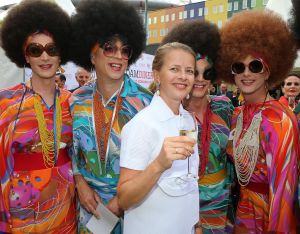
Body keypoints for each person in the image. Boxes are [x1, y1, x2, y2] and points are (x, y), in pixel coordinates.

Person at [69, 0, 153, 232]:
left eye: (125, 49)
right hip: (89, 208)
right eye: (109, 47)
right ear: (92, 53)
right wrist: (80, 184)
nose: (118, 55)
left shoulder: (146, 102)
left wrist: (121, 201)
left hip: (133, 208)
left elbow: (155, 160)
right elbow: (72, 152)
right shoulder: (76, 100)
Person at [217, 10, 299, 233]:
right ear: (231, 73)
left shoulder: (279, 119)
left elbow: (284, 189)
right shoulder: (237, 115)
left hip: (269, 215)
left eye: (255, 66)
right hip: (242, 212)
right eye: (238, 66)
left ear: (268, 71)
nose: (246, 73)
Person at [0, 0, 76, 233]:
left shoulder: (73, 102)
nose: (45, 57)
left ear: (61, 53)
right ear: (25, 56)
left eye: (51, 49)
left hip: (64, 205)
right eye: (35, 50)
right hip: (22, 209)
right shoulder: (6, 102)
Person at [162, 20, 235, 233]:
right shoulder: (174, 113)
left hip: (221, 202)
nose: (201, 79)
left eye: (208, 73)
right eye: (195, 72)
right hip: (184, 202)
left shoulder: (225, 107)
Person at [118, 42, 199, 234]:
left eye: (189, 70)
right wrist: (158, 165)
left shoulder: (189, 121)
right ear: (157, 75)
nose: (183, 76)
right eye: (174, 69)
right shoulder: (141, 125)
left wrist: (196, 224)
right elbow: (124, 199)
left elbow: (190, 182)